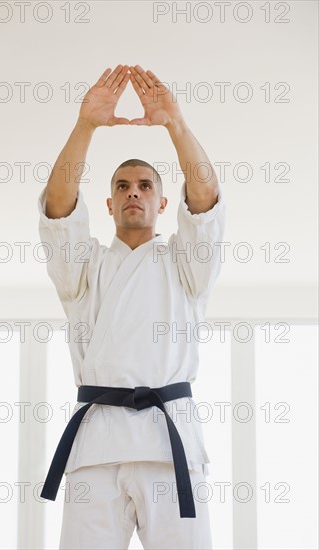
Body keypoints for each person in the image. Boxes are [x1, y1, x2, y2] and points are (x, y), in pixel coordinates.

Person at [37, 64, 226, 550]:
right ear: (108, 204)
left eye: (145, 185)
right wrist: (86, 127)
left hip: (169, 443)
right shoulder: (85, 270)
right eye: (122, 186)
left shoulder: (186, 269)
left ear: (164, 203)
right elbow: (59, 208)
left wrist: (175, 125)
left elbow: (204, 202)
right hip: (96, 448)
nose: (133, 192)